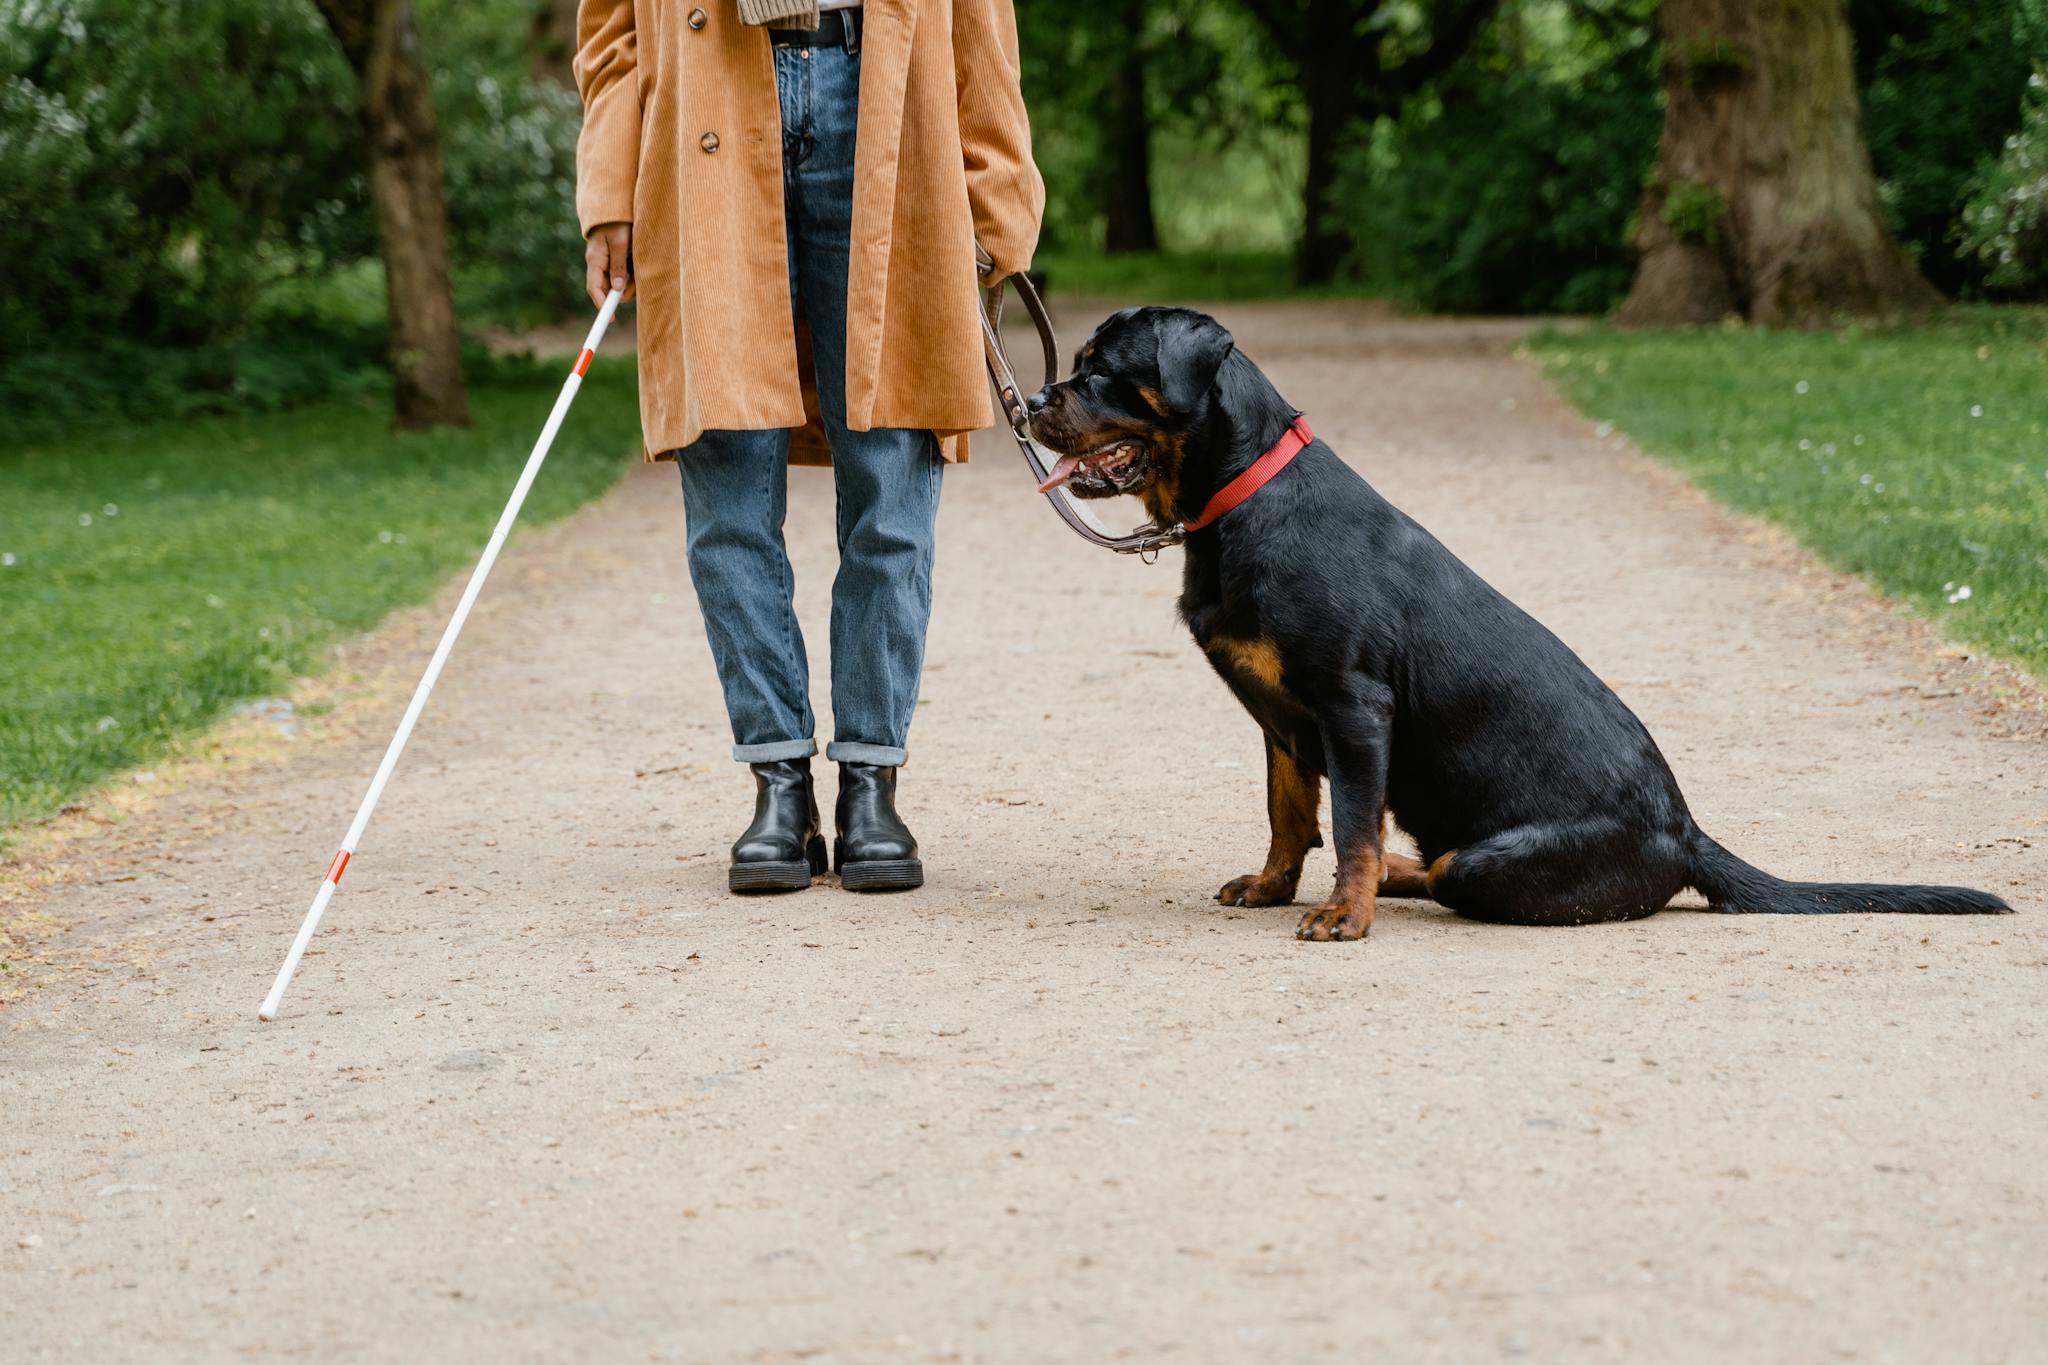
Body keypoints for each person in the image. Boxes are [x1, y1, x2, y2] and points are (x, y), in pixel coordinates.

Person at [572, 0, 1042, 893]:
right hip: (705, 109)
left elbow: (982, 28)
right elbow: (612, 38)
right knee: (727, 489)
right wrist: (609, 189)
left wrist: (995, 198)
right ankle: (777, 781)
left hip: (884, 100)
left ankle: (872, 779)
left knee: (891, 477)